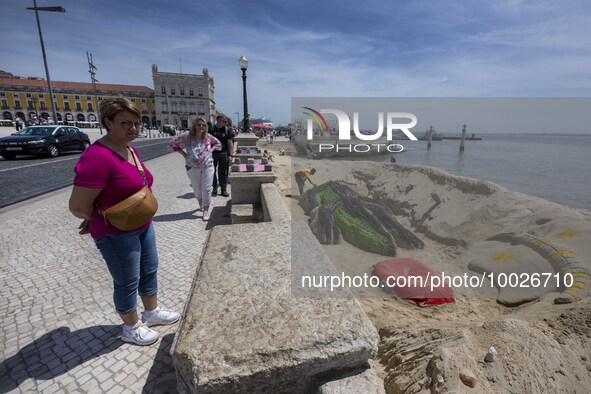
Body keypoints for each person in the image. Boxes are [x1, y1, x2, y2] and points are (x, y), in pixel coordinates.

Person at [68, 97, 180, 346]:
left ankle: (151, 312)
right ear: (108, 122)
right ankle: (130, 327)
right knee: (127, 279)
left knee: (149, 270)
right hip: (115, 231)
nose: (133, 128)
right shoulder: (97, 156)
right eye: (125, 123)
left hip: (142, 224)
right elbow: (77, 206)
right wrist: (97, 217)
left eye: (137, 123)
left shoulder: (129, 149)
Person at [168, 117, 221, 221]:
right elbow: (172, 143)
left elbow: (218, 144)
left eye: (203, 125)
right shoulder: (187, 136)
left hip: (208, 165)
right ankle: (200, 200)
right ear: (194, 126)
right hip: (192, 166)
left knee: (207, 188)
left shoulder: (208, 137)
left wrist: (211, 149)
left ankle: (206, 210)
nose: (201, 126)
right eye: (199, 124)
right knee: (197, 188)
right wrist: (184, 154)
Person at [209, 115, 235, 197]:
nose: (226, 123)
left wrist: (230, 154)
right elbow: (206, 141)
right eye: (224, 121)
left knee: (223, 172)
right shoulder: (211, 129)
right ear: (218, 120)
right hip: (212, 153)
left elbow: (230, 142)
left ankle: (223, 190)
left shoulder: (227, 130)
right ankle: (214, 188)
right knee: (211, 171)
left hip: (223, 153)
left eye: (226, 122)